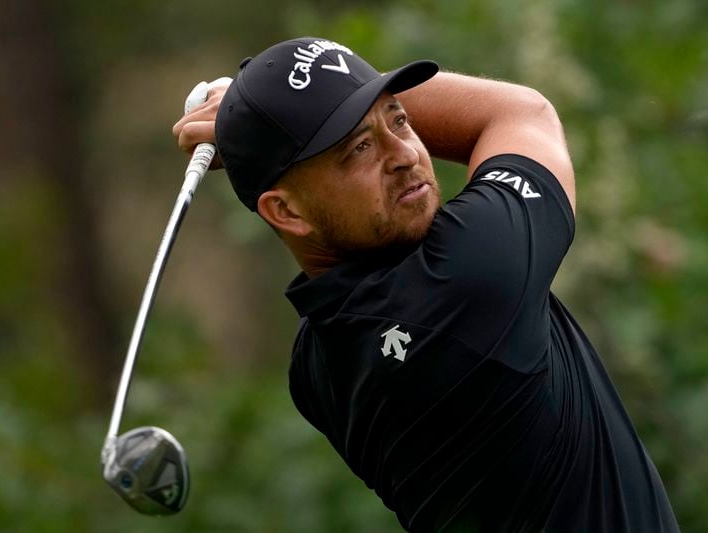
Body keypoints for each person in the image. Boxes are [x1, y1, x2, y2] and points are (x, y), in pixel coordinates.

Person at [173, 36, 679, 532]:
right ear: (285, 210)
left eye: (400, 119)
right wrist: (257, 109)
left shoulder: (315, 364)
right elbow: (523, 114)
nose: (405, 154)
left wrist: (267, 114)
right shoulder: (468, 276)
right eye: (359, 148)